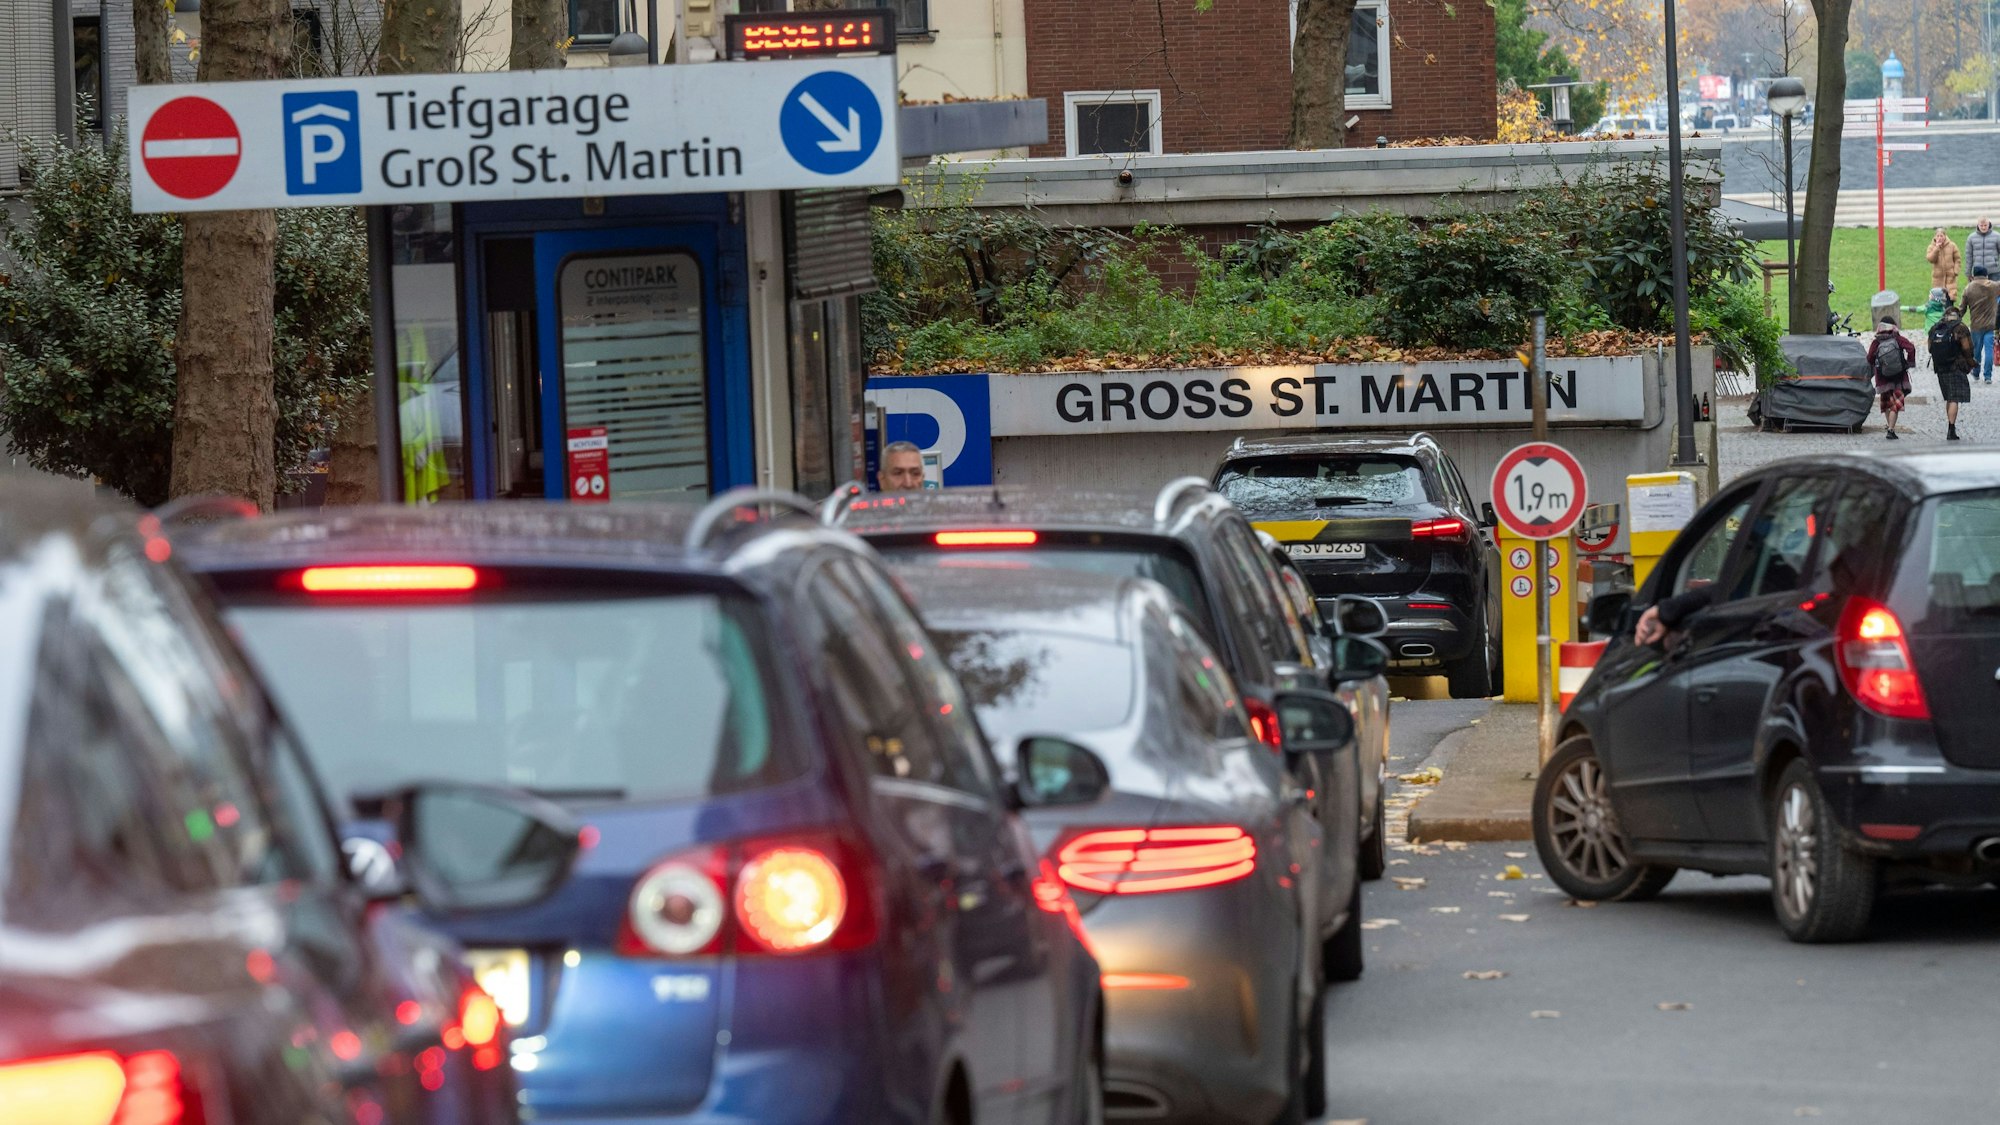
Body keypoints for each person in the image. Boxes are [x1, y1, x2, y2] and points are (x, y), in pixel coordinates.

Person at [1929, 301, 1974, 441]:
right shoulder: (1960, 328)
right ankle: (1951, 429)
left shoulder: (1936, 327)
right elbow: (1967, 349)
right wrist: (1971, 362)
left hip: (1940, 367)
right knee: (1954, 398)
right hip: (1956, 367)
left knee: (1949, 397)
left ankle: (1950, 425)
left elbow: (1930, 348)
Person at [1867, 318, 1915, 440]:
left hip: (1883, 379)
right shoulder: (1897, 338)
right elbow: (1911, 348)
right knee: (1896, 404)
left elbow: (1869, 358)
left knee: (1887, 404)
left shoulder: (1876, 341)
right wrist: (1909, 363)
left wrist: (1877, 365)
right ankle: (1891, 429)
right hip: (1898, 377)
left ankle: (1890, 427)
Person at [1964, 264, 2000, 384]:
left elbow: (1962, 308)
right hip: (1990, 325)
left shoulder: (1968, 288)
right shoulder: (1994, 286)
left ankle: (1976, 372)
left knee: (1976, 351)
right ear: (1986, 275)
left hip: (1976, 326)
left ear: (1974, 275)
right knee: (1989, 350)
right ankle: (1988, 376)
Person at [1929, 228, 1963, 302]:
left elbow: (1958, 259)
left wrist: (1955, 271)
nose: (1939, 238)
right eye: (1938, 236)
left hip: (1950, 279)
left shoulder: (1952, 245)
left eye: (1941, 236)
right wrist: (1936, 248)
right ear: (1935, 237)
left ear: (1945, 236)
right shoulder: (1932, 247)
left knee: (1949, 301)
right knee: (1938, 303)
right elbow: (1931, 259)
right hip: (1938, 279)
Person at [1968, 218, 2000, 288]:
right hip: (1978, 272)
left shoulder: (1997, 236)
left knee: (1995, 292)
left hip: (1993, 271)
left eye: (1985, 225)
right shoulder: (1971, 238)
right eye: (1981, 225)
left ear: (1989, 224)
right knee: (1978, 293)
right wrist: (1968, 273)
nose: (1983, 227)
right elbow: (1969, 256)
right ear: (1978, 225)